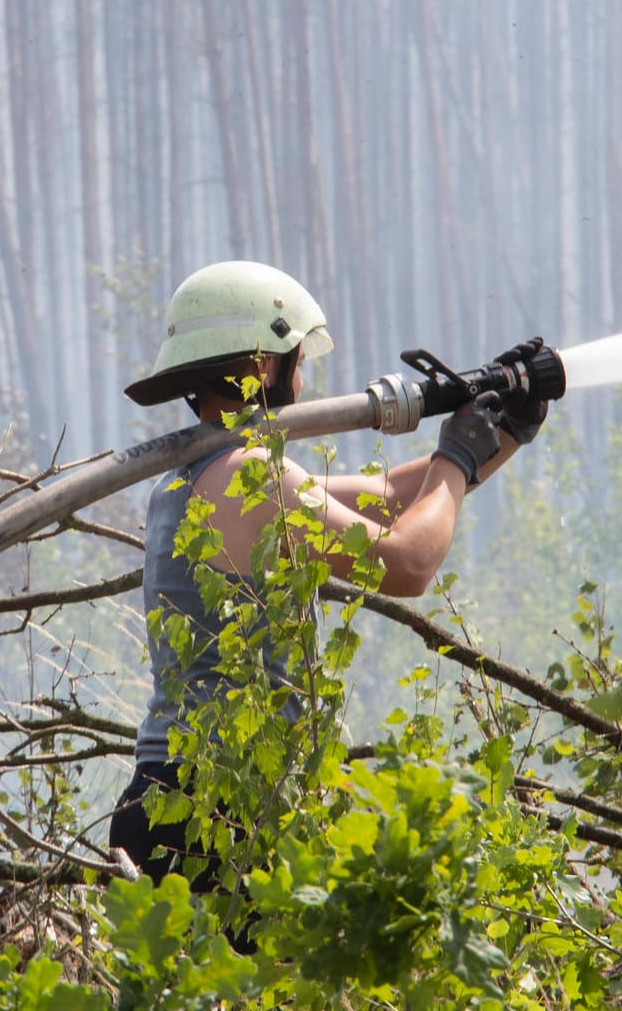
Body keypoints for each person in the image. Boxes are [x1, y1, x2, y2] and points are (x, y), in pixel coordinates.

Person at [106, 260, 546, 888]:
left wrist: (503, 432)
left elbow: (392, 494)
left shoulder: (199, 477)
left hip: (173, 802)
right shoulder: (251, 474)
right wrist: (456, 454)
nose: (304, 375)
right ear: (262, 363)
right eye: (296, 356)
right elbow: (406, 561)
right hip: (216, 808)